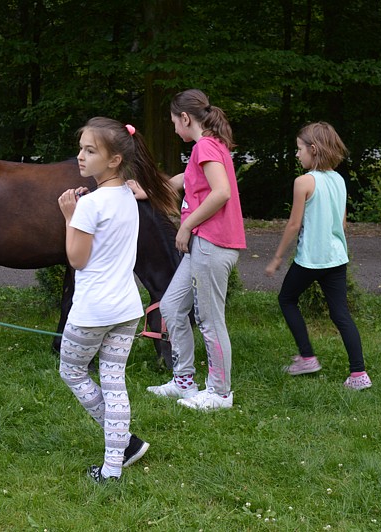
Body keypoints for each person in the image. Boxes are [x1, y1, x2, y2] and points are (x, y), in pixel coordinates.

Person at [57, 117, 178, 483]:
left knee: (72, 371)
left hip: (94, 310)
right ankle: (118, 458)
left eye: (90, 151)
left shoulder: (90, 205)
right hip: (127, 307)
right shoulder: (129, 194)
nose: (80, 156)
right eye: (81, 148)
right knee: (113, 381)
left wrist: (69, 216)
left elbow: (77, 259)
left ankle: (121, 449)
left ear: (113, 160)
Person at [145, 89, 246, 410]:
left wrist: (186, 226)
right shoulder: (209, 146)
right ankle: (183, 381)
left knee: (209, 320)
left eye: (174, 121)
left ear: (185, 118)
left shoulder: (205, 145)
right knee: (173, 308)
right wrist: (145, 189)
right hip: (202, 245)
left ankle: (219, 392)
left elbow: (221, 193)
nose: (173, 128)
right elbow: (183, 180)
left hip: (212, 243)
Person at [265, 122, 371, 390]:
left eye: (299, 149)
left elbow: (293, 225)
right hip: (336, 258)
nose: (297, 154)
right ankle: (359, 374)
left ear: (313, 149)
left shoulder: (303, 182)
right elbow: (343, 223)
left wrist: (278, 258)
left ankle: (307, 357)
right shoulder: (339, 179)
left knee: (287, 299)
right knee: (340, 314)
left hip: (311, 260)